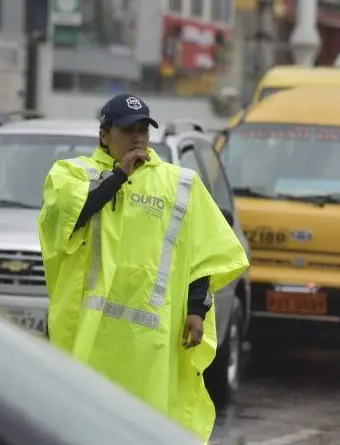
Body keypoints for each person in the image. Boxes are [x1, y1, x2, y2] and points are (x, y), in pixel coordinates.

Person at [38, 93, 248, 442]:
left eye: (143, 131)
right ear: (104, 135)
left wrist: (196, 310)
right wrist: (120, 175)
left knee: (145, 426)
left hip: (151, 340)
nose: (138, 138)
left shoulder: (179, 183)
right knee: (87, 424)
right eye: (128, 130)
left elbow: (200, 250)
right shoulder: (71, 174)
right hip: (89, 334)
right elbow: (71, 216)